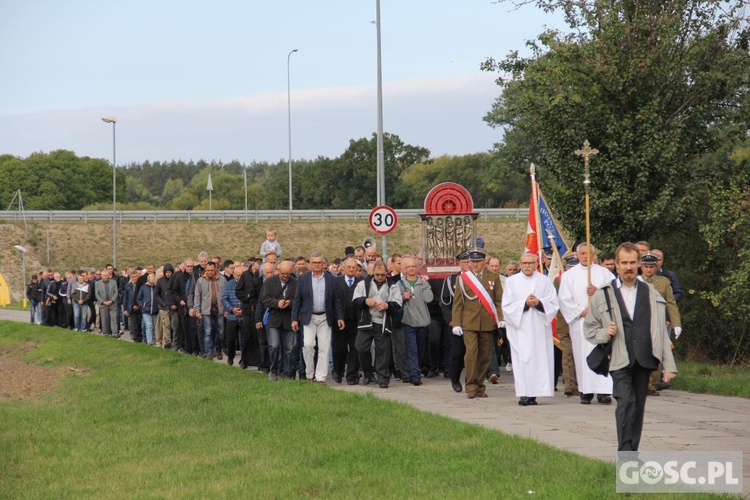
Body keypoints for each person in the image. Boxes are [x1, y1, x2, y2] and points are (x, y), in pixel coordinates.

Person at [584, 242, 677, 451]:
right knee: (625, 403)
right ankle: (625, 453)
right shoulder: (604, 294)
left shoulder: (651, 293)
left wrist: (669, 365)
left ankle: (631, 453)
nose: (628, 267)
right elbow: (589, 329)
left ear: (639, 264)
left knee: (638, 409)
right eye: (624, 263)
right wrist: (604, 333)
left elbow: (660, 331)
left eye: (632, 262)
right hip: (619, 357)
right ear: (616, 265)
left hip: (644, 357)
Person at [558, 243, 615, 405]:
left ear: (594, 254)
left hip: (601, 323)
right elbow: (564, 299)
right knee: (582, 355)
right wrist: (581, 311)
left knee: (602, 353)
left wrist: (598, 292)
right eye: (582, 253)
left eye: (588, 253)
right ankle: (586, 390)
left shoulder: (605, 274)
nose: (585, 256)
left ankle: (604, 391)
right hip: (581, 322)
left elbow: (614, 294)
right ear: (577, 255)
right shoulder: (569, 276)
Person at [502, 252, 560, 406]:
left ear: (536, 264)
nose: (527, 266)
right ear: (520, 265)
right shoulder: (512, 282)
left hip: (539, 328)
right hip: (520, 328)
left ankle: (535, 392)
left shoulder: (544, 281)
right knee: (523, 360)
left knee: (539, 360)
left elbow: (553, 303)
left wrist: (539, 303)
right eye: (524, 263)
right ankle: (524, 393)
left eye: (530, 263)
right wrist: (525, 304)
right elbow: (507, 305)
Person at [451, 250, 504, 399]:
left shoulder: (493, 277)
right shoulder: (463, 279)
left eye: (477, 261)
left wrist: (501, 318)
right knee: (471, 354)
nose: (474, 264)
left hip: (487, 322)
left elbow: (498, 300)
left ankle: (480, 385)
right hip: (469, 322)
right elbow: (458, 303)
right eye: (471, 262)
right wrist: (457, 323)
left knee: (485, 356)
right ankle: (471, 386)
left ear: (484, 262)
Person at [291, 252, 345, 384]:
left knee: (324, 347)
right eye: (314, 262)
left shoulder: (331, 279)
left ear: (324, 264)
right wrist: (294, 319)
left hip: (325, 317)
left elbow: (336, 300)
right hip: (308, 317)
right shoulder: (303, 279)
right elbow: (297, 299)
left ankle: (320, 377)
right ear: (310, 264)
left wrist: (339, 317)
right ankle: (310, 374)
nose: (316, 265)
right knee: (308, 345)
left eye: (319, 262)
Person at [353, 261, 403, 388]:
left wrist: (387, 305)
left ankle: (383, 378)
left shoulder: (393, 285)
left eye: (382, 275)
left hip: (382, 322)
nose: (380, 277)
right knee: (361, 347)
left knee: (383, 351)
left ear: (386, 273)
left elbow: (398, 303)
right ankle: (368, 373)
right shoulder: (363, 284)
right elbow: (355, 300)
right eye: (377, 275)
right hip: (366, 322)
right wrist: (365, 301)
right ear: (372, 273)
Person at [397, 256, 433, 386]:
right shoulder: (400, 284)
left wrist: (425, 285)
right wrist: (402, 297)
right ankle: (415, 374)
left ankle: (415, 369)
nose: (411, 269)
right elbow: (395, 301)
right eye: (408, 267)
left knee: (420, 348)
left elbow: (429, 299)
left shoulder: (422, 282)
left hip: (423, 321)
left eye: (413, 266)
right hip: (408, 321)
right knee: (412, 348)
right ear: (404, 269)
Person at [260, 260, 298, 380]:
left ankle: (287, 373)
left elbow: (299, 300)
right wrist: (277, 303)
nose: (285, 275)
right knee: (274, 346)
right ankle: (273, 370)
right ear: (278, 270)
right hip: (274, 319)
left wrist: (290, 303)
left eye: (288, 273)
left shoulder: (296, 283)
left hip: (289, 319)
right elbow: (264, 299)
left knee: (289, 349)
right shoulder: (270, 281)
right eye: (283, 273)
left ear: (291, 271)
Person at [442, 251, 471, 393]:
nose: (468, 264)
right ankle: (455, 378)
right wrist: (451, 320)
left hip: (473, 322)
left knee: (473, 353)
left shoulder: (478, 279)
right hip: (457, 323)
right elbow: (445, 302)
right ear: (459, 263)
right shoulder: (451, 280)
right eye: (464, 262)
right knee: (458, 352)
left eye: (469, 261)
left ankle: (470, 380)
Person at [333, 258, 362, 384]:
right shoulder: (336, 282)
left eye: (354, 267)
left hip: (356, 321)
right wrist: (338, 317)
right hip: (339, 321)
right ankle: (338, 372)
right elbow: (334, 301)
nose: (351, 269)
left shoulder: (361, 282)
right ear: (343, 268)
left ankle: (352, 376)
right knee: (339, 349)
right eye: (349, 267)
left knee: (355, 349)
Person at [193, 261, 226, 359]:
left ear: (215, 269)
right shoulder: (200, 281)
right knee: (208, 331)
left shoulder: (222, 279)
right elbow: (197, 296)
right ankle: (209, 352)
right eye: (208, 270)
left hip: (219, 309)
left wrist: (226, 309)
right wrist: (197, 310)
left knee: (221, 332)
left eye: (212, 270)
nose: (210, 272)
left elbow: (226, 294)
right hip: (206, 309)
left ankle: (218, 349)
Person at [222, 266, 245, 366]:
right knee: (231, 339)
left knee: (243, 339)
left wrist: (243, 310)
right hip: (232, 317)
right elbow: (224, 299)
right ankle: (230, 358)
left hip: (244, 316)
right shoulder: (228, 285)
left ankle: (244, 360)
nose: (240, 277)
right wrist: (232, 309)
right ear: (234, 275)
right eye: (238, 275)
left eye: (242, 275)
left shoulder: (248, 285)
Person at [155, 263, 174, 348]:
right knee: (166, 325)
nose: (168, 274)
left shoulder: (174, 280)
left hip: (173, 306)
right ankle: (166, 342)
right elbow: (157, 294)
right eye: (167, 272)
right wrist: (162, 303)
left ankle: (170, 341)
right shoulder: (160, 281)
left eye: (170, 272)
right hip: (163, 307)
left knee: (173, 325)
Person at [95, 270, 119, 337]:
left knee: (113, 318)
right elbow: (97, 294)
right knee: (104, 319)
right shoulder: (97, 283)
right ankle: (105, 332)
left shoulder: (113, 282)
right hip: (103, 304)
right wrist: (103, 302)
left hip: (112, 303)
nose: (106, 277)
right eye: (104, 275)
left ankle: (114, 333)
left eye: (106, 275)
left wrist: (112, 300)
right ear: (101, 276)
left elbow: (116, 292)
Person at [137, 274, 158, 345]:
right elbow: (139, 298)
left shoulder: (157, 288)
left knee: (154, 326)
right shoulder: (143, 288)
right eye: (151, 283)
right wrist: (142, 306)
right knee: (149, 325)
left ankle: (154, 340)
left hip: (155, 311)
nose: (152, 284)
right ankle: (150, 342)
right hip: (146, 311)